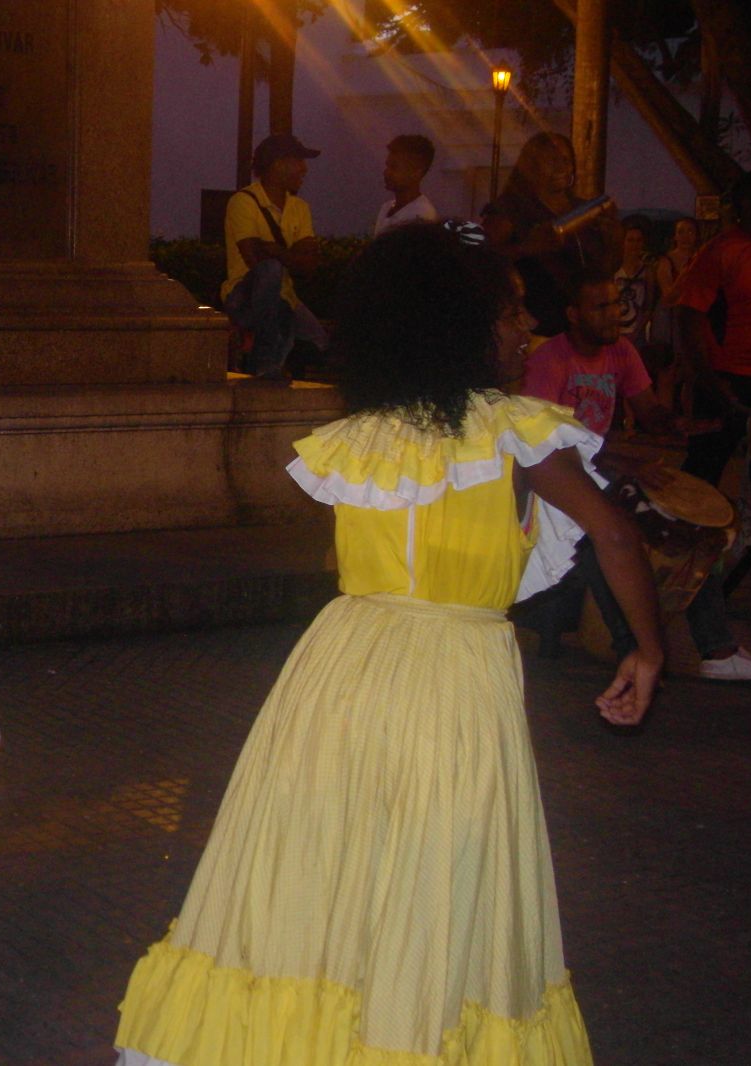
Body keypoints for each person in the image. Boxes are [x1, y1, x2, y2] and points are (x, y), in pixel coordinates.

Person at [114, 222, 662, 1066]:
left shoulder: (363, 437)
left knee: (324, 852)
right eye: (510, 313)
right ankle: (409, 1029)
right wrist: (648, 651)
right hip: (454, 674)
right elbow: (616, 537)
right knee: (440, 861)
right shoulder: (512, 435)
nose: (527, 328)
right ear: (460, 327)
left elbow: (355, 556)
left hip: (341, 664)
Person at [520, 270, 751, 680]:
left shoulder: (621, 352)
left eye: (616, 304)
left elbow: (649, 412)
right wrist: (625, 465)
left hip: (600, 472)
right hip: (556, 479)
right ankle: (632, 649)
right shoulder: (549, 361)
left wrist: (683, 423)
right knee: (610, 532)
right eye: (601, 307)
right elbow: (543, 443)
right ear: (573, 314)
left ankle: (717, 650)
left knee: (691, 530)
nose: (614, 314)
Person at [667, 170, 751, 589]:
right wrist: (707, 378)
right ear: (744, 204)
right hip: (727, 379)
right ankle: (676, 548)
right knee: (704, 468)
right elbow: (688, 315)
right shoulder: (720, 251)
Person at [482, 131, 619, 337]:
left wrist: (614, 238)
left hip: (582, 333)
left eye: (566, 160)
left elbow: (605, 269)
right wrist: (526, 248)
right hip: (537, 329)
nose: (561, 167)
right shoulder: (512, 210)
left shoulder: (584, 211)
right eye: (551, 160)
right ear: (531, 166)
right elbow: (479, 256)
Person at [220, 133, 327, 380]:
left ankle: (268, 360)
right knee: (270, 272)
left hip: (285, 296)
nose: (304, 169)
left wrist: (277, 251)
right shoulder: (243, 202)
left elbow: (309, 265)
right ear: (279, 164)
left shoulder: (299, 208)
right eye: (299, 161)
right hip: (243, 296)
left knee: (320, 343)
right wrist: (291, 256)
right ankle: (265, 354)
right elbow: (256, 261)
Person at [371, 134, 438, 236]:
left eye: (394, 167)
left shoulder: (421, 216)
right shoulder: (386, 208)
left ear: (416, 172)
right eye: (387, 166)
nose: (386, 172)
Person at [613, 215, 657, 344]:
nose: (634, 245)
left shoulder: (647, 271)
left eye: (638, 240)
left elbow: (648, 305)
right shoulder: (614, 269)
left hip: (636, 332)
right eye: (630, 240)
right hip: (615, 330)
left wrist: (638, 330)